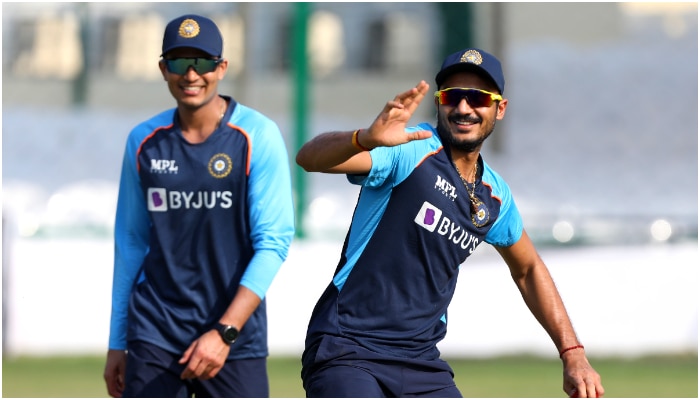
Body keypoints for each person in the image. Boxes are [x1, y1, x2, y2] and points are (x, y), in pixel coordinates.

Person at [296, 48, 604, 398]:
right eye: (453, 97)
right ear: (440, 103)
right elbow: (309, 158)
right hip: (348, 348)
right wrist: (363, 138)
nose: (463, 108)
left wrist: (573, 353)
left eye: (478, 98)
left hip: (420, 361)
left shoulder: (495, 197)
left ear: (499, 109)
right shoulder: (411, 148)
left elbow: (529, 268)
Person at [103, 14, 295, 398]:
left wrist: (225, 332)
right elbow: (130, 242)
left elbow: (273, 243)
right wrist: (117, 341)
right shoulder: (143, 141)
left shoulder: (257, 135)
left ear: (221, 68)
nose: (191, 74)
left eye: (203, 62)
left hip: (233, 335)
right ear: (163, 69)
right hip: (155, 330)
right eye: (178, 62)